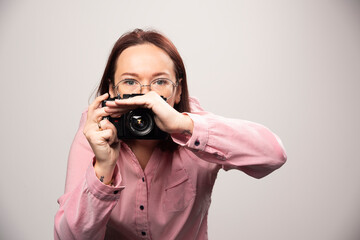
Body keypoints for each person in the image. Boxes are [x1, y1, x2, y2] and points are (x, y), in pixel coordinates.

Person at [54, 28, 287, 240]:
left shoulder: (195, 125)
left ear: (178, 91)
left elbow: (273, 155)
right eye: (130, 82)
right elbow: (68, 237)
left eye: (160, 82)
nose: (146, 95)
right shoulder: (96, 131)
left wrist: (183, 125)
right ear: (112, 89)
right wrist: (103, 167)